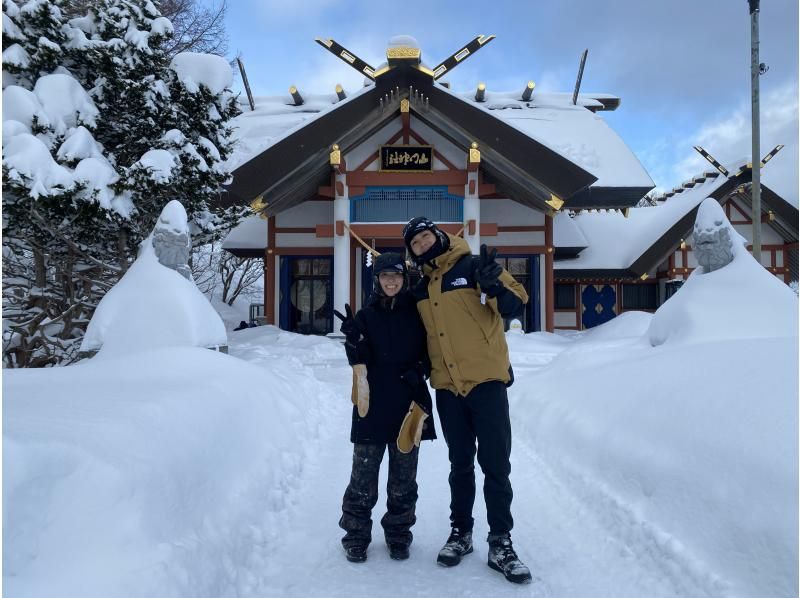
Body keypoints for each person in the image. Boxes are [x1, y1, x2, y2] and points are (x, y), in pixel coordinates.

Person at [401, 216, 533, 584]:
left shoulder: (474, 266)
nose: (423, 244)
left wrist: (495, 287)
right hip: (448, 388)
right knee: (459, 465)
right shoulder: (422, 287)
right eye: (415, 243)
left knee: (495, 465)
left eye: (426, 237)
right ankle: (461, 533)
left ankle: (501, 540)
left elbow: (515, 306)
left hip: (486, 383)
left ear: (439, 236)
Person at [334, 252, 436, 564]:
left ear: (405, 279)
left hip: (409, 403)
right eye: (384, 276)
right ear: (377, 280)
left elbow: (433, 351)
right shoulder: (366, 315)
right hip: (372, 404)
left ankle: (398, 534)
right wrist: (353, 340)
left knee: (403, 479)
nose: (391, 281)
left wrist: (419, 371)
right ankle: (355, 535)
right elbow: (359, 360)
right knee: (362, 477)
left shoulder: (419, 313)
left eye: (396, 275)